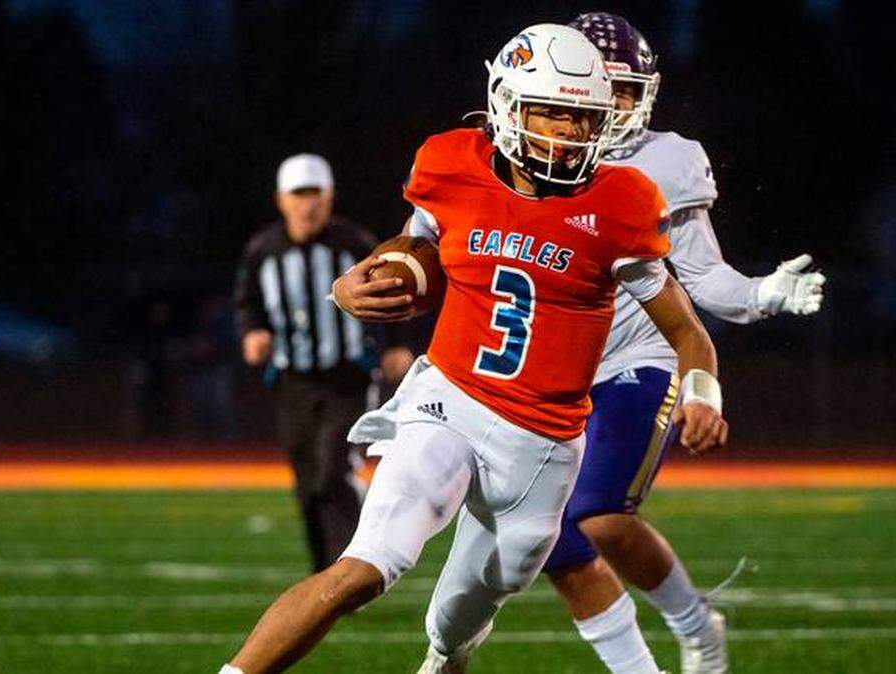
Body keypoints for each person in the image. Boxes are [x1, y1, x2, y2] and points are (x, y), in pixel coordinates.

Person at [217, 24, 728, 674]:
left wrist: (702, 392)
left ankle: (444, 657)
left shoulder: (621, 203)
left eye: (583, 117)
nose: (570, 132)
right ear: (508, 104)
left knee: (461, 614)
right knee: (365, 567)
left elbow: (686, 331)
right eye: (553, 112)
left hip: (542, 446)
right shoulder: (451, 163)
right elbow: (412, 250)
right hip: (448, 399)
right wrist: (357, 281)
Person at [538, 13, 828, 674]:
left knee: (600, 514)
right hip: (549, 371)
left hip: (638, 361)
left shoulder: (665, 160)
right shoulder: (528, 148)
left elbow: (702, 277)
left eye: (624, 90)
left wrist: (762, 296)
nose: (612, 105)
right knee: (543, 539)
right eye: (599, 86)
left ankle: (696, 624)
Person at [233, 153, 414, 573]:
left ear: (329, 197)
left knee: (332, 471)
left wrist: (397, 345)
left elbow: (395, 291)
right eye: (299, 194)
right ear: (281, 200)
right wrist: (251, 334)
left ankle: (357, 567)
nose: (307, 204)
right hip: (292, 382)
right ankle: (324, 571)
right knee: (307, 486)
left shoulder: (354, 244)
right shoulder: (263, 250)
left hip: (348, 377)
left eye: (315, 193)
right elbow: (247, 304)